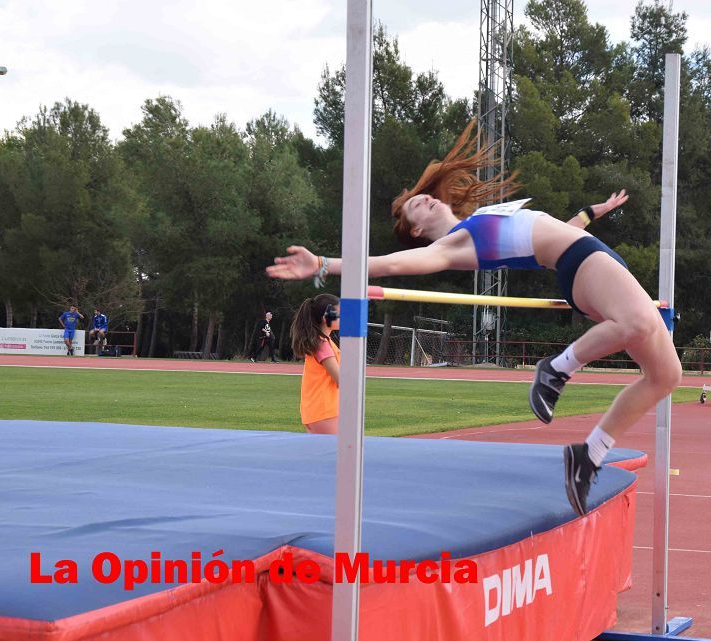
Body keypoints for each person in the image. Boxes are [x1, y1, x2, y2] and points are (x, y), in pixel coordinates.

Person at [266, 121, 675, 517]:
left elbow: (557, 230)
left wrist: (594, 211)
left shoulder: (478, 219)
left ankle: (589, 457)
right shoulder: (449, 246)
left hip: (590, 255)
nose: (424, 200)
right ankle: (556, 368)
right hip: (583, 264)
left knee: (666, 375)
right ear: (417, 230)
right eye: (415, 208)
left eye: (422, 197)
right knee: (637, 324)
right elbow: (388, 264)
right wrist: (323, 263)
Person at [290, 294, 341, 434]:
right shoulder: (322, 345)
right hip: (324, 412)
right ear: (326, 318)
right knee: (336, 454)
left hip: (318, 412)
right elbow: (341, 379)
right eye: (339, 314)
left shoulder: (321, 342)